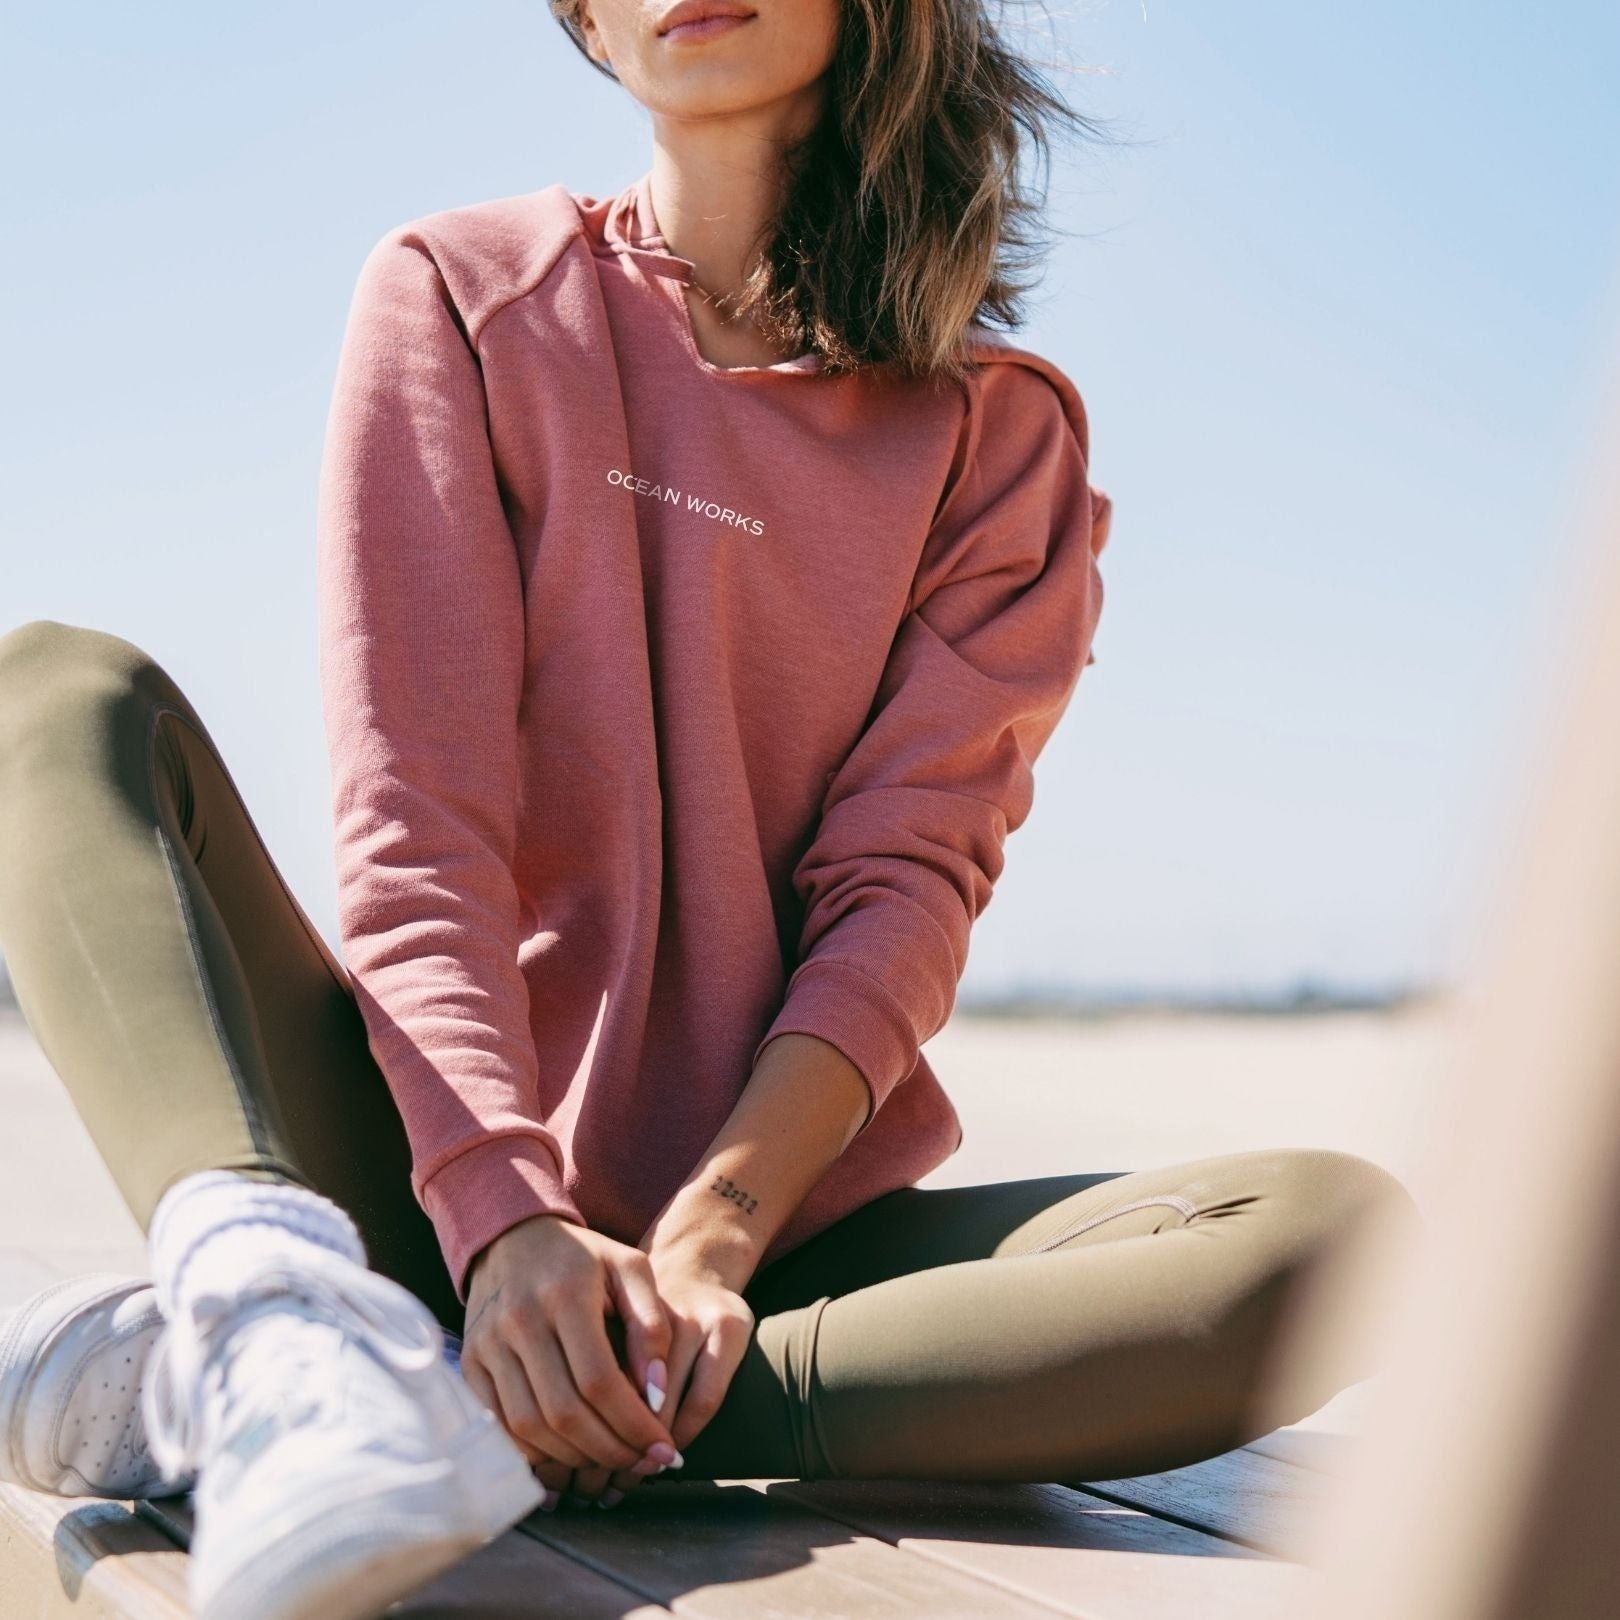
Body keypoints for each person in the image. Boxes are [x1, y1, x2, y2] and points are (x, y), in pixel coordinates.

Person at [0, 3, 1424, 1619]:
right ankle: (275, 1317)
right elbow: (421, 823)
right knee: (51, 693)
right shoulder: (464, 295)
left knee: (1336, 1238)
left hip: (768, 1266)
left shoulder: (998, 436)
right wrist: (507, 1218)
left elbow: (904, 893)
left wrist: (711, 1243)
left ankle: (451, 1402)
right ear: (588, 25)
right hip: (420, 1171)